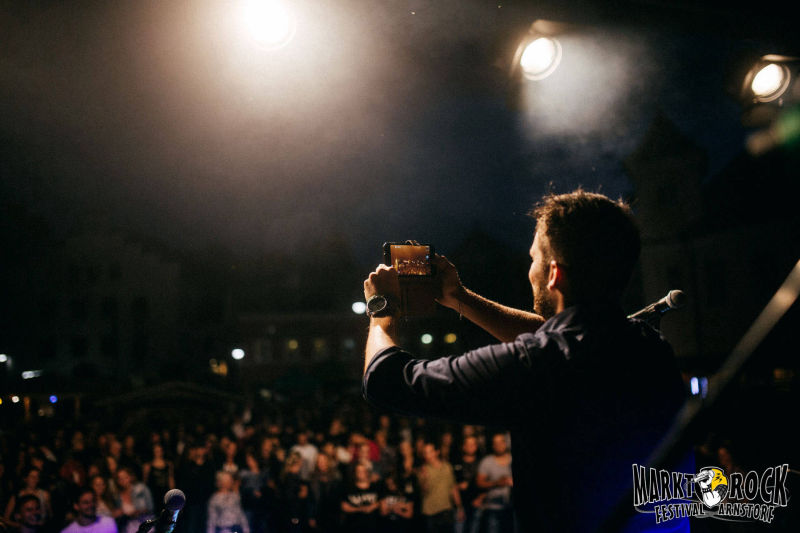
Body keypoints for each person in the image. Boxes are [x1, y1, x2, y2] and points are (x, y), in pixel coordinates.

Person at [361, 190, 689, 532]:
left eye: (534, 259)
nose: (529, 270)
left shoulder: (540, 366)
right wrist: (459, 297)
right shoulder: (650, 346)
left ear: (554, 274)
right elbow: (563, 334)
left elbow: (385, 380)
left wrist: (382, 308)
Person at [417, 442, 463, 533]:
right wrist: (424, 479)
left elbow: (453, 488)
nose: (428, 455)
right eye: (425, 453)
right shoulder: (423, 470)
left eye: (430, 452)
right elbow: (423, 492)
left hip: (446, 509)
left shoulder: (447, 467)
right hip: (430, 512)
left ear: (436, 452)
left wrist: (459, 507)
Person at [474, 433, 513, 533]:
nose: (499, 445)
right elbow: (479, 483)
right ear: (493, 446)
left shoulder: (512, 460)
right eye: (496, 443)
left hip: (511, 507)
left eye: (501, 442)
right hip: (493, 508)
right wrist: (496, 483)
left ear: (505, 443)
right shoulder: (487, 462)